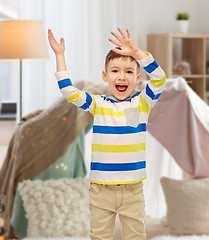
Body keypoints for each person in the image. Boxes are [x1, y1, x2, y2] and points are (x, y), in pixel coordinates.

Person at [48, 27, 166, 240]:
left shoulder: (143, 102)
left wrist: (137, 52)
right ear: (105, 76)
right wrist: (59, 55)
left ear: (138, 78)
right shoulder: (98, 104)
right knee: (99, 236)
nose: (122, 77)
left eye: (129, 71)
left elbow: (159, 78)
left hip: (132, 189)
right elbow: (68, 90)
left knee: (136, 236)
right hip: (101, 190)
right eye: (115, 71)